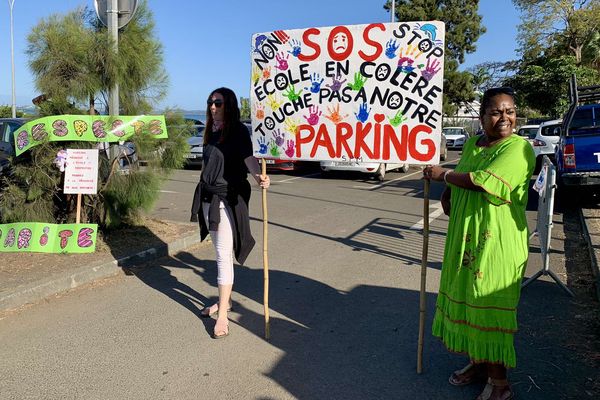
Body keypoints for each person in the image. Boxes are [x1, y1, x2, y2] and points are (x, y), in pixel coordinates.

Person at [423, 87, 535, 400]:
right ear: (482, 115)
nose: (505, 118)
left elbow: (483, 181)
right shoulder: (474, 143)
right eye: (497, 112)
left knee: (487, 309)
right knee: (468, 302)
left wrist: (443, 176)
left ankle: (500, 383)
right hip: (466, 237)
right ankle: (478, 364)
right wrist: (449, 191)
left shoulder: (519, 149)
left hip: (498, 242)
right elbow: (465, 171)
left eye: (510, 111)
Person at [190, 87, 270, 339]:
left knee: (223, 255)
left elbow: (248, 159)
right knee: (218, 252)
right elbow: (206, 165)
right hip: (207, 196)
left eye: (218, 103)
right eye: (210, 102)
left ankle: (223, 314)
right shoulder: (210, 131)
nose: (213, 107)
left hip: (226, 198)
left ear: (229, 105)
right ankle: (227, 301)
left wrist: (259, 177)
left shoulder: (236, 131)